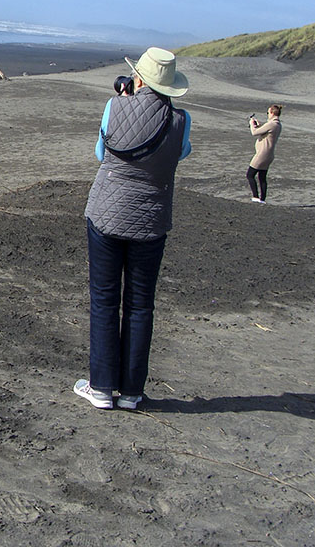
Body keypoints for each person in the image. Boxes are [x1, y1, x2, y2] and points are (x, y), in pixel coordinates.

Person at [75, 47, 192, 411]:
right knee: (140, 305)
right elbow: (182, 153)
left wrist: (125, 105)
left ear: (138, 78)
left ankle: (100, 388)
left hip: (107, 214)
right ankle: (130, 392)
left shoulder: (114, 107)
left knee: (105, 300)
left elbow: (100, 153)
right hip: (152, 220)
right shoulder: (181, 119)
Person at [247, 104, 283, 203]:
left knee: (250, 175)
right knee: (262, 177)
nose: (267, 115)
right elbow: (265, 133)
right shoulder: (277, 124)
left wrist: (252, 124)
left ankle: (255, 197)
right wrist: (258, 125)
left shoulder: (272, 124)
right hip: (269, 155)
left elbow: (254, 133)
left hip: (262, 154)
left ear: (272, 113)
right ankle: (262, 200)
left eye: (268, 113)